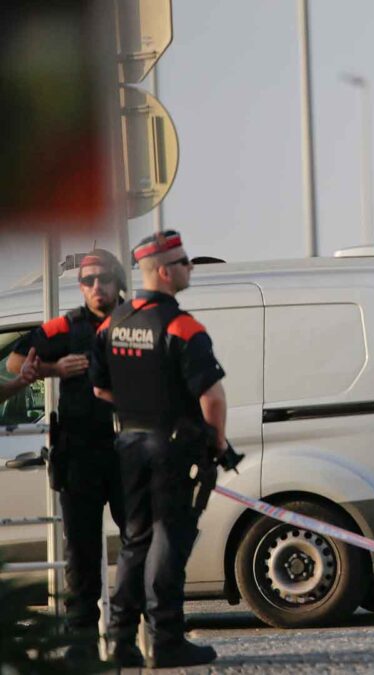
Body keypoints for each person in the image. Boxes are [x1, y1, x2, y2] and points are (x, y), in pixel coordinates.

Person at [90, 230, 234, 668]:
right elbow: (213, 397)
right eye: (186, 262)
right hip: (172, 447)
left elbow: (99, 389)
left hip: (129, 443)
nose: (191, 268)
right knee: (170, 538)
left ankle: (119, 641)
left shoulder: (110, 324)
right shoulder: (182, 326)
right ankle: (166, 639)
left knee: (135, 539)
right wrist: (216, 442)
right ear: (166, 272)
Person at [6, 249, 128, 662]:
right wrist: (58, 369)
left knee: (139, 543)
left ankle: (129, 635)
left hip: (131, 449)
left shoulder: (139, 320)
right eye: (89, 280)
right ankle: (81, 642)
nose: (97, 286)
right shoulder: (66, 325)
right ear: (81, 286)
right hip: (80, 451)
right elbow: (18, 360)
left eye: (104, 278)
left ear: (118, 281)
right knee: (81, 547)